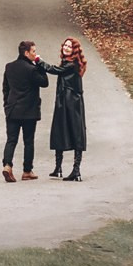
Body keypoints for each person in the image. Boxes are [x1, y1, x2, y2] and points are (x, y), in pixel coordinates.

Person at [39, 36, 88, 181]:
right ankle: (58, 168)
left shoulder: (71, 64)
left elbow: (54, 70)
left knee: (74, 131)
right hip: (65, 100)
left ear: (75, 50)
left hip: (70, 102)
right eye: (65, 45)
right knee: (60, 130)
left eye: (69, 46)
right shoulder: (68, 62)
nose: (66, 48)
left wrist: (38, 61)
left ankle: (76, 170)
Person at [1, 39, 49, 182]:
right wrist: (40, 65)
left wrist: (7, 105)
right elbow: (44, 83)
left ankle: (7, 165)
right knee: (28, 141)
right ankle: (27, 171)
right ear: (26, 53)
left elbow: (5, 88)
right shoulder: (32, 69)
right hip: (29, 111)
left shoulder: (9, 67)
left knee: (11, 140)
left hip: (13, 110)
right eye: (33, 51)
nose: (35, 54)